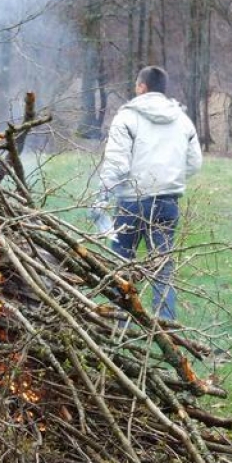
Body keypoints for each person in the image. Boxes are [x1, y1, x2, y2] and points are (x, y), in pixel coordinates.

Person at [98, 65, 202, 322]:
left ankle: (117, 326)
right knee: (162, 268)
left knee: (123, 265)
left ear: (142, 87)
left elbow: (118, 165)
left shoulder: (126, 117)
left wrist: (102, 194)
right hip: (167, 202)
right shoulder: (183, 120)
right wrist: (169, 179)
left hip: (131, 202)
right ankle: (164, 328)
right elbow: (195, 163)